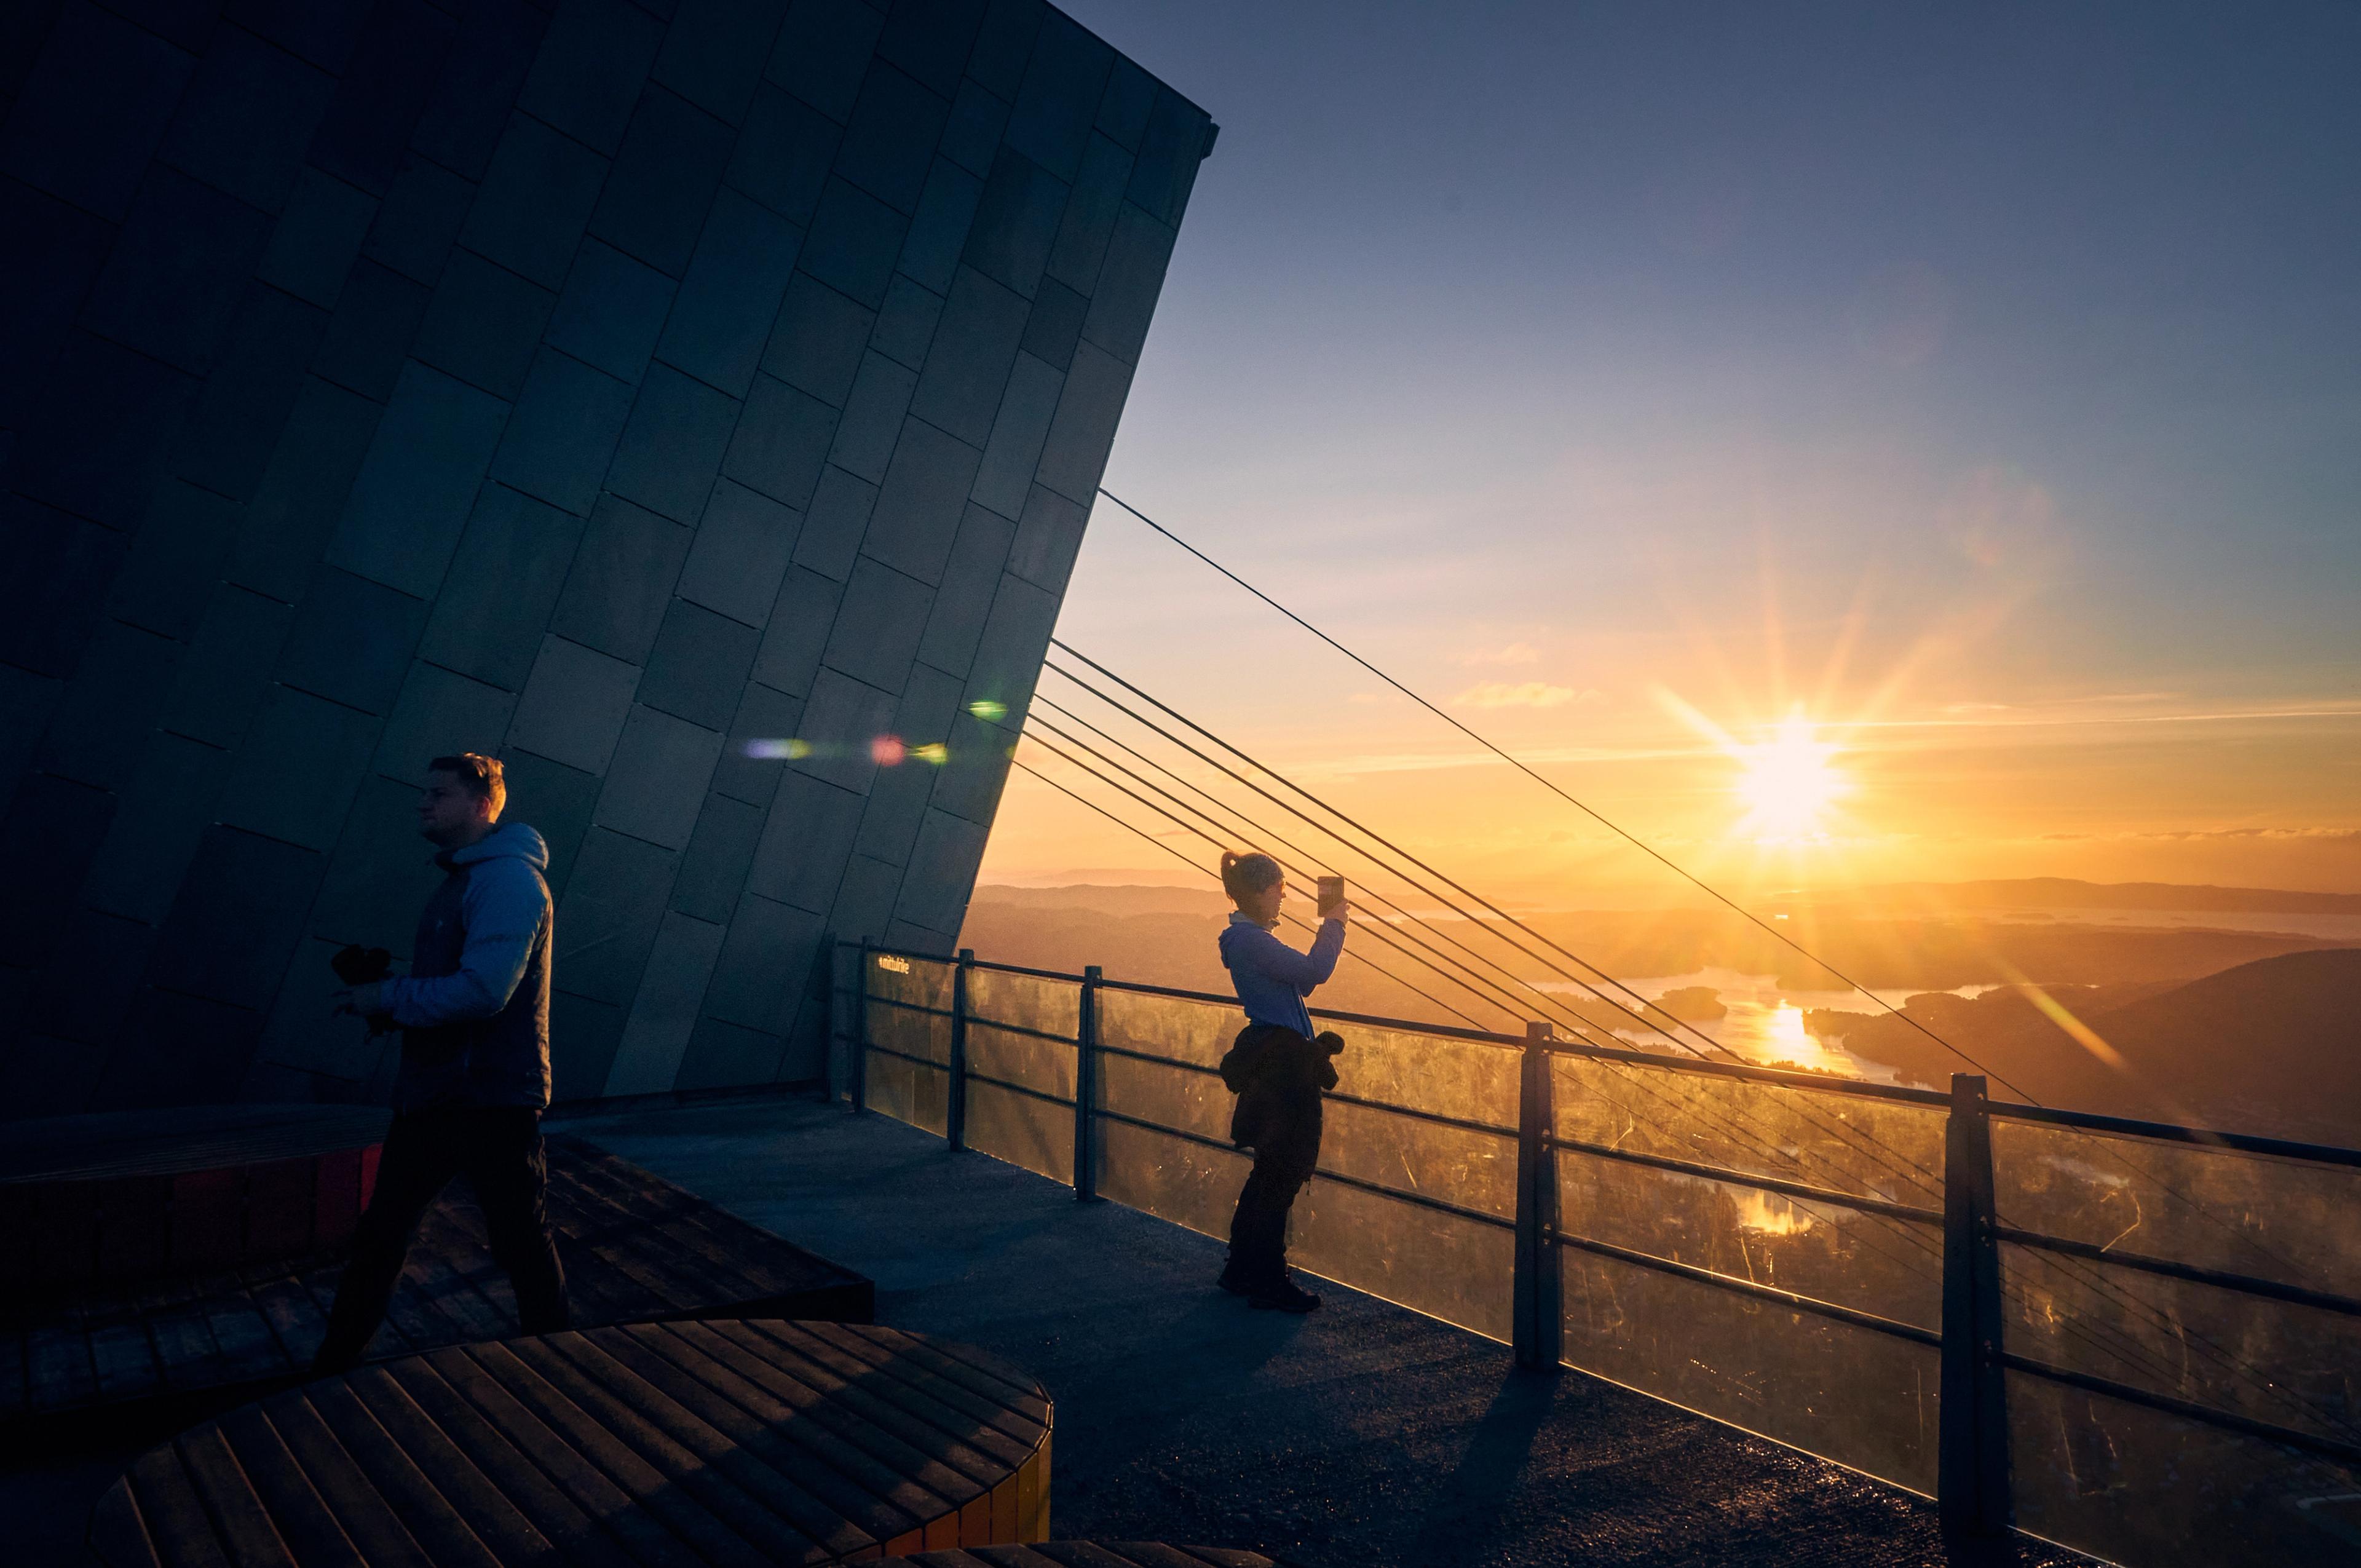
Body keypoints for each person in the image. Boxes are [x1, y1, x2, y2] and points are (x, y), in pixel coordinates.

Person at [314, 753, 568, 1371]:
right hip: (444, 1093)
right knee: (387, 1238)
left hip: (489, 1099)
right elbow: (465, 986)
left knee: (516, 1242)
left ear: (482, 805)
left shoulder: (505, 881)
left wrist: (389, 996)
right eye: (425, 793)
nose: (424, 803)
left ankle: (564, 1362)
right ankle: (332, 1367)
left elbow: (485, 992)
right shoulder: (465, 878)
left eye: (440, 794)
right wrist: (392, 998)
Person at [1214, 850, 1347, 1313]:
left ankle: (1242, 1270)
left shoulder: (1248, 940)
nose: (1284, 896)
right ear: (1260, 891)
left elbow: (1301, 983)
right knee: (1282, 1174)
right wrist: (1334, 924)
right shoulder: (1252, 941)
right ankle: (1267, 1279)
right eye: (1279, 888)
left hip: (1276, 1062)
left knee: (1269, 1173)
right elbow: (1316, 973)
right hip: (1285, 1070)